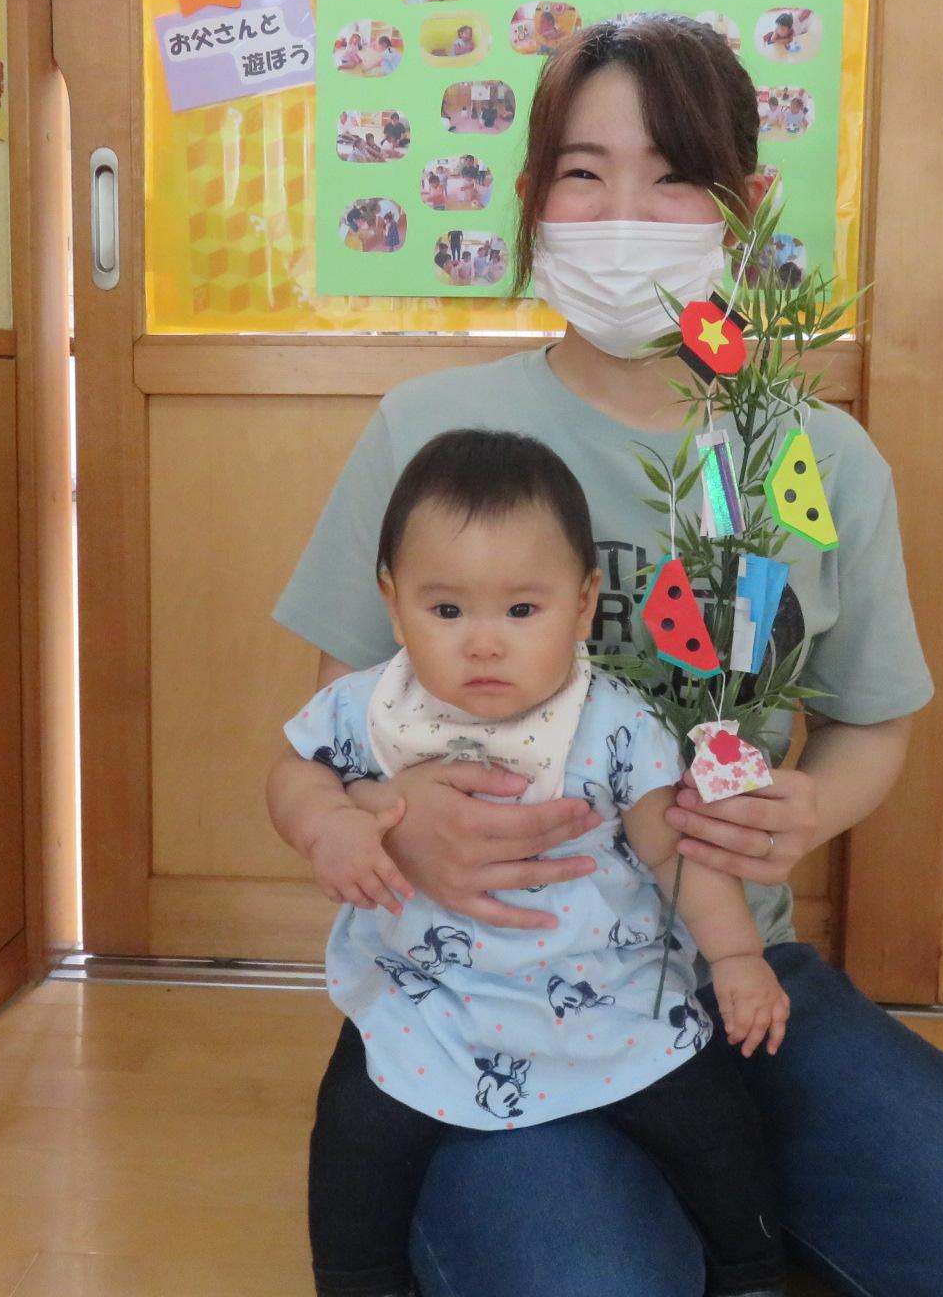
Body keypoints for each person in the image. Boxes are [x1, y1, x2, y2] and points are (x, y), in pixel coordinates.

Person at [266, 13, 943, 1297]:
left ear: (744, 203)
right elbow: (334, 719)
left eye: (673, 175)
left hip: (735, 973)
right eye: (582, 171)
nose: (625, 213)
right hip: (494, 985)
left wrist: (811, 805)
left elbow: (872, 718)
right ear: (532, 194)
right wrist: (394, 820)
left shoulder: (815, 458)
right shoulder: (431, 430)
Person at [284, 430, 794, 1297]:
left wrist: (738, 955)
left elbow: (677, 847)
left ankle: (750, 1270)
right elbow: (294, 771)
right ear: (393, 603)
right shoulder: (369, 709)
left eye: (522, 611)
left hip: (613, 1001)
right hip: (422, 1002)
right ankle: (358, 1278)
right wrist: (326, 821)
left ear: (584, 602)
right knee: (352, 1141)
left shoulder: (615, 722)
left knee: (716, 1124)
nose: (484, 644)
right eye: (447, 611)